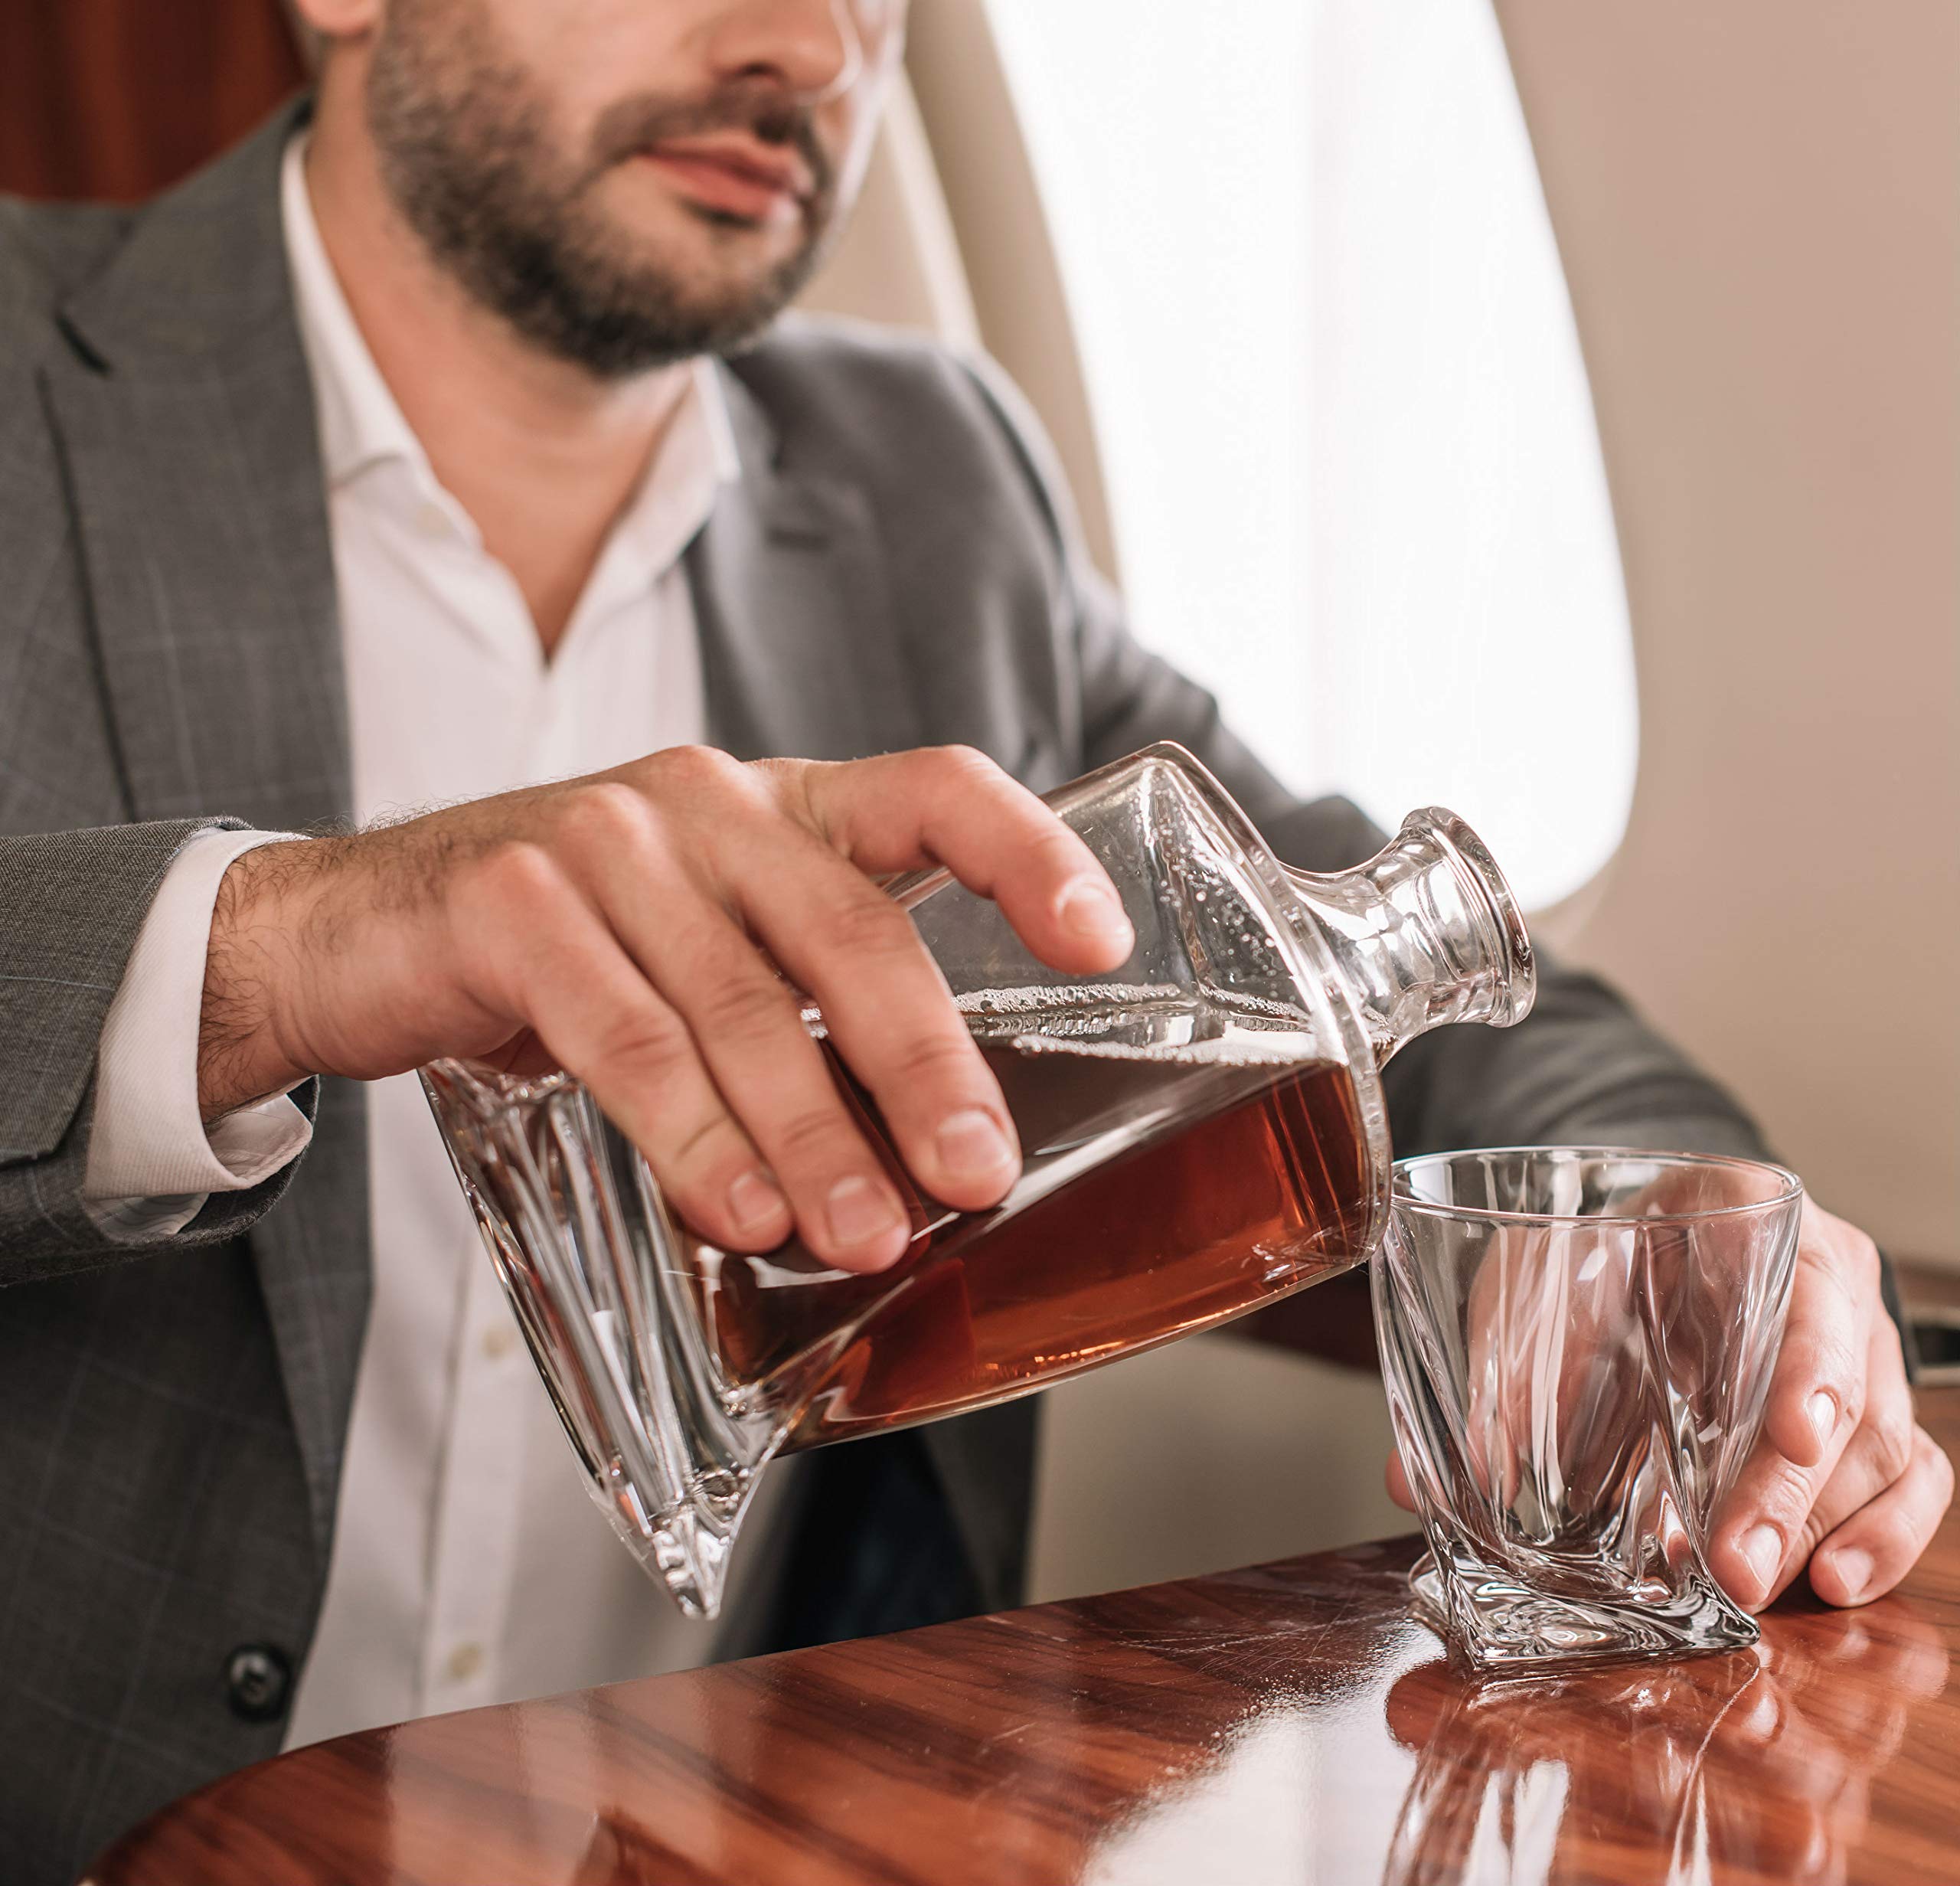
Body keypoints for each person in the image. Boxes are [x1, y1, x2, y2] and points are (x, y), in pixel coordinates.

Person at [0, 0, 1944, 1875]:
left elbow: (1427, 993)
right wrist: (278, 945)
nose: (804, 43)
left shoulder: (932, 482)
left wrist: (1713, 1246)